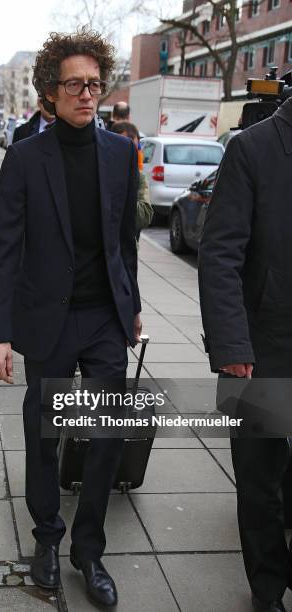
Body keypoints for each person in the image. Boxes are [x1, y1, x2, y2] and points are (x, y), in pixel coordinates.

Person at [0, 28, 141, 607]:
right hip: (48, 320)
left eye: (94, 85)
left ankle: (89, 550)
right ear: (50, 92)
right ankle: (47, 537)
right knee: (43, 433)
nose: (86, 94)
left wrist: (134, 306)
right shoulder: (25, 158)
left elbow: (125, 241)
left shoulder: (122, 153)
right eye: (74, 84)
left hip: (104, 317)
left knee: (106, 436)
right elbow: (5, 247)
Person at [198, 96, 292, 612]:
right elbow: (219, 256)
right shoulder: (251, 149)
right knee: (261, 478)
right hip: (262, 347)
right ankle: (267, 589)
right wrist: (233, 347)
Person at [110, 121, 153, 241]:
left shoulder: (138, 178)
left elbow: (144, 217)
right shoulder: (100, 170)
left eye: (133, 148)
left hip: (126, 249)